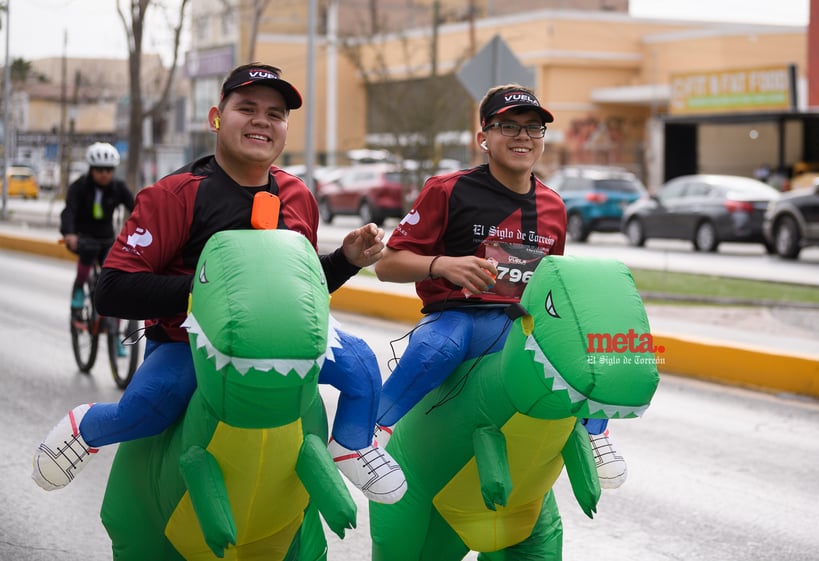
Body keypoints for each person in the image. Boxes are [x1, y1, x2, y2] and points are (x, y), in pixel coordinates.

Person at [33, 62, 406, 504]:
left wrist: (345, 261)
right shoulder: (174, 196)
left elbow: (301, 291)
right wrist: (207, 293)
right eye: (246, 108)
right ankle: (88, 427)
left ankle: (352, 443)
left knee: (363, 364)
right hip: (190, 345)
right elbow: (111, 288)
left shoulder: (299, 197)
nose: (261, 121)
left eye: (275, 113)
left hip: (282, 341)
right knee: (148, 410)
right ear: (216, 116)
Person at [372, 83, 627, 488]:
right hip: (459, 319)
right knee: (436, 346)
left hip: (520, 326)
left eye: (533, 128)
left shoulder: (554, 206)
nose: (522, 136)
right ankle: (370, 433)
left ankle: (596, 434)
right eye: (508, 126)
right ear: (483, 138)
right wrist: (444, 265)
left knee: (589, 345)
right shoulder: (447, 190)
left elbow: (551, 285)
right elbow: (387, 265)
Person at [60, 142, 135, 312]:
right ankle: (79, 288)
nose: (104, 174)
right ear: (91, 169)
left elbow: (136, 208)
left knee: (112, 271)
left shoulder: (118, 187)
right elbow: (69, 212)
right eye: (99, 169)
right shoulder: (78, 187)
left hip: (107, 238)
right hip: (83, 238)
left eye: (108, 170)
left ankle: (113, 329)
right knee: (88, 253)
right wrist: (69, 233)